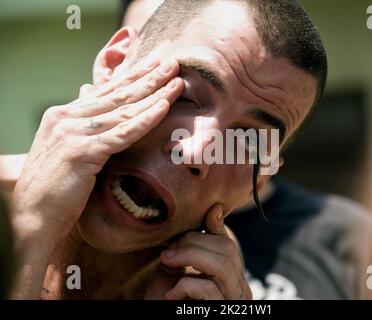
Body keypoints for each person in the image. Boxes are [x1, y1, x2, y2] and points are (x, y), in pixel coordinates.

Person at [8, 0, 328, 299]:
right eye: (185, 96)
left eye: (247, 142)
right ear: (115, 63)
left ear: (258, 182)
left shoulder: (219, 290)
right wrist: (29, 229)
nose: (196, 152)